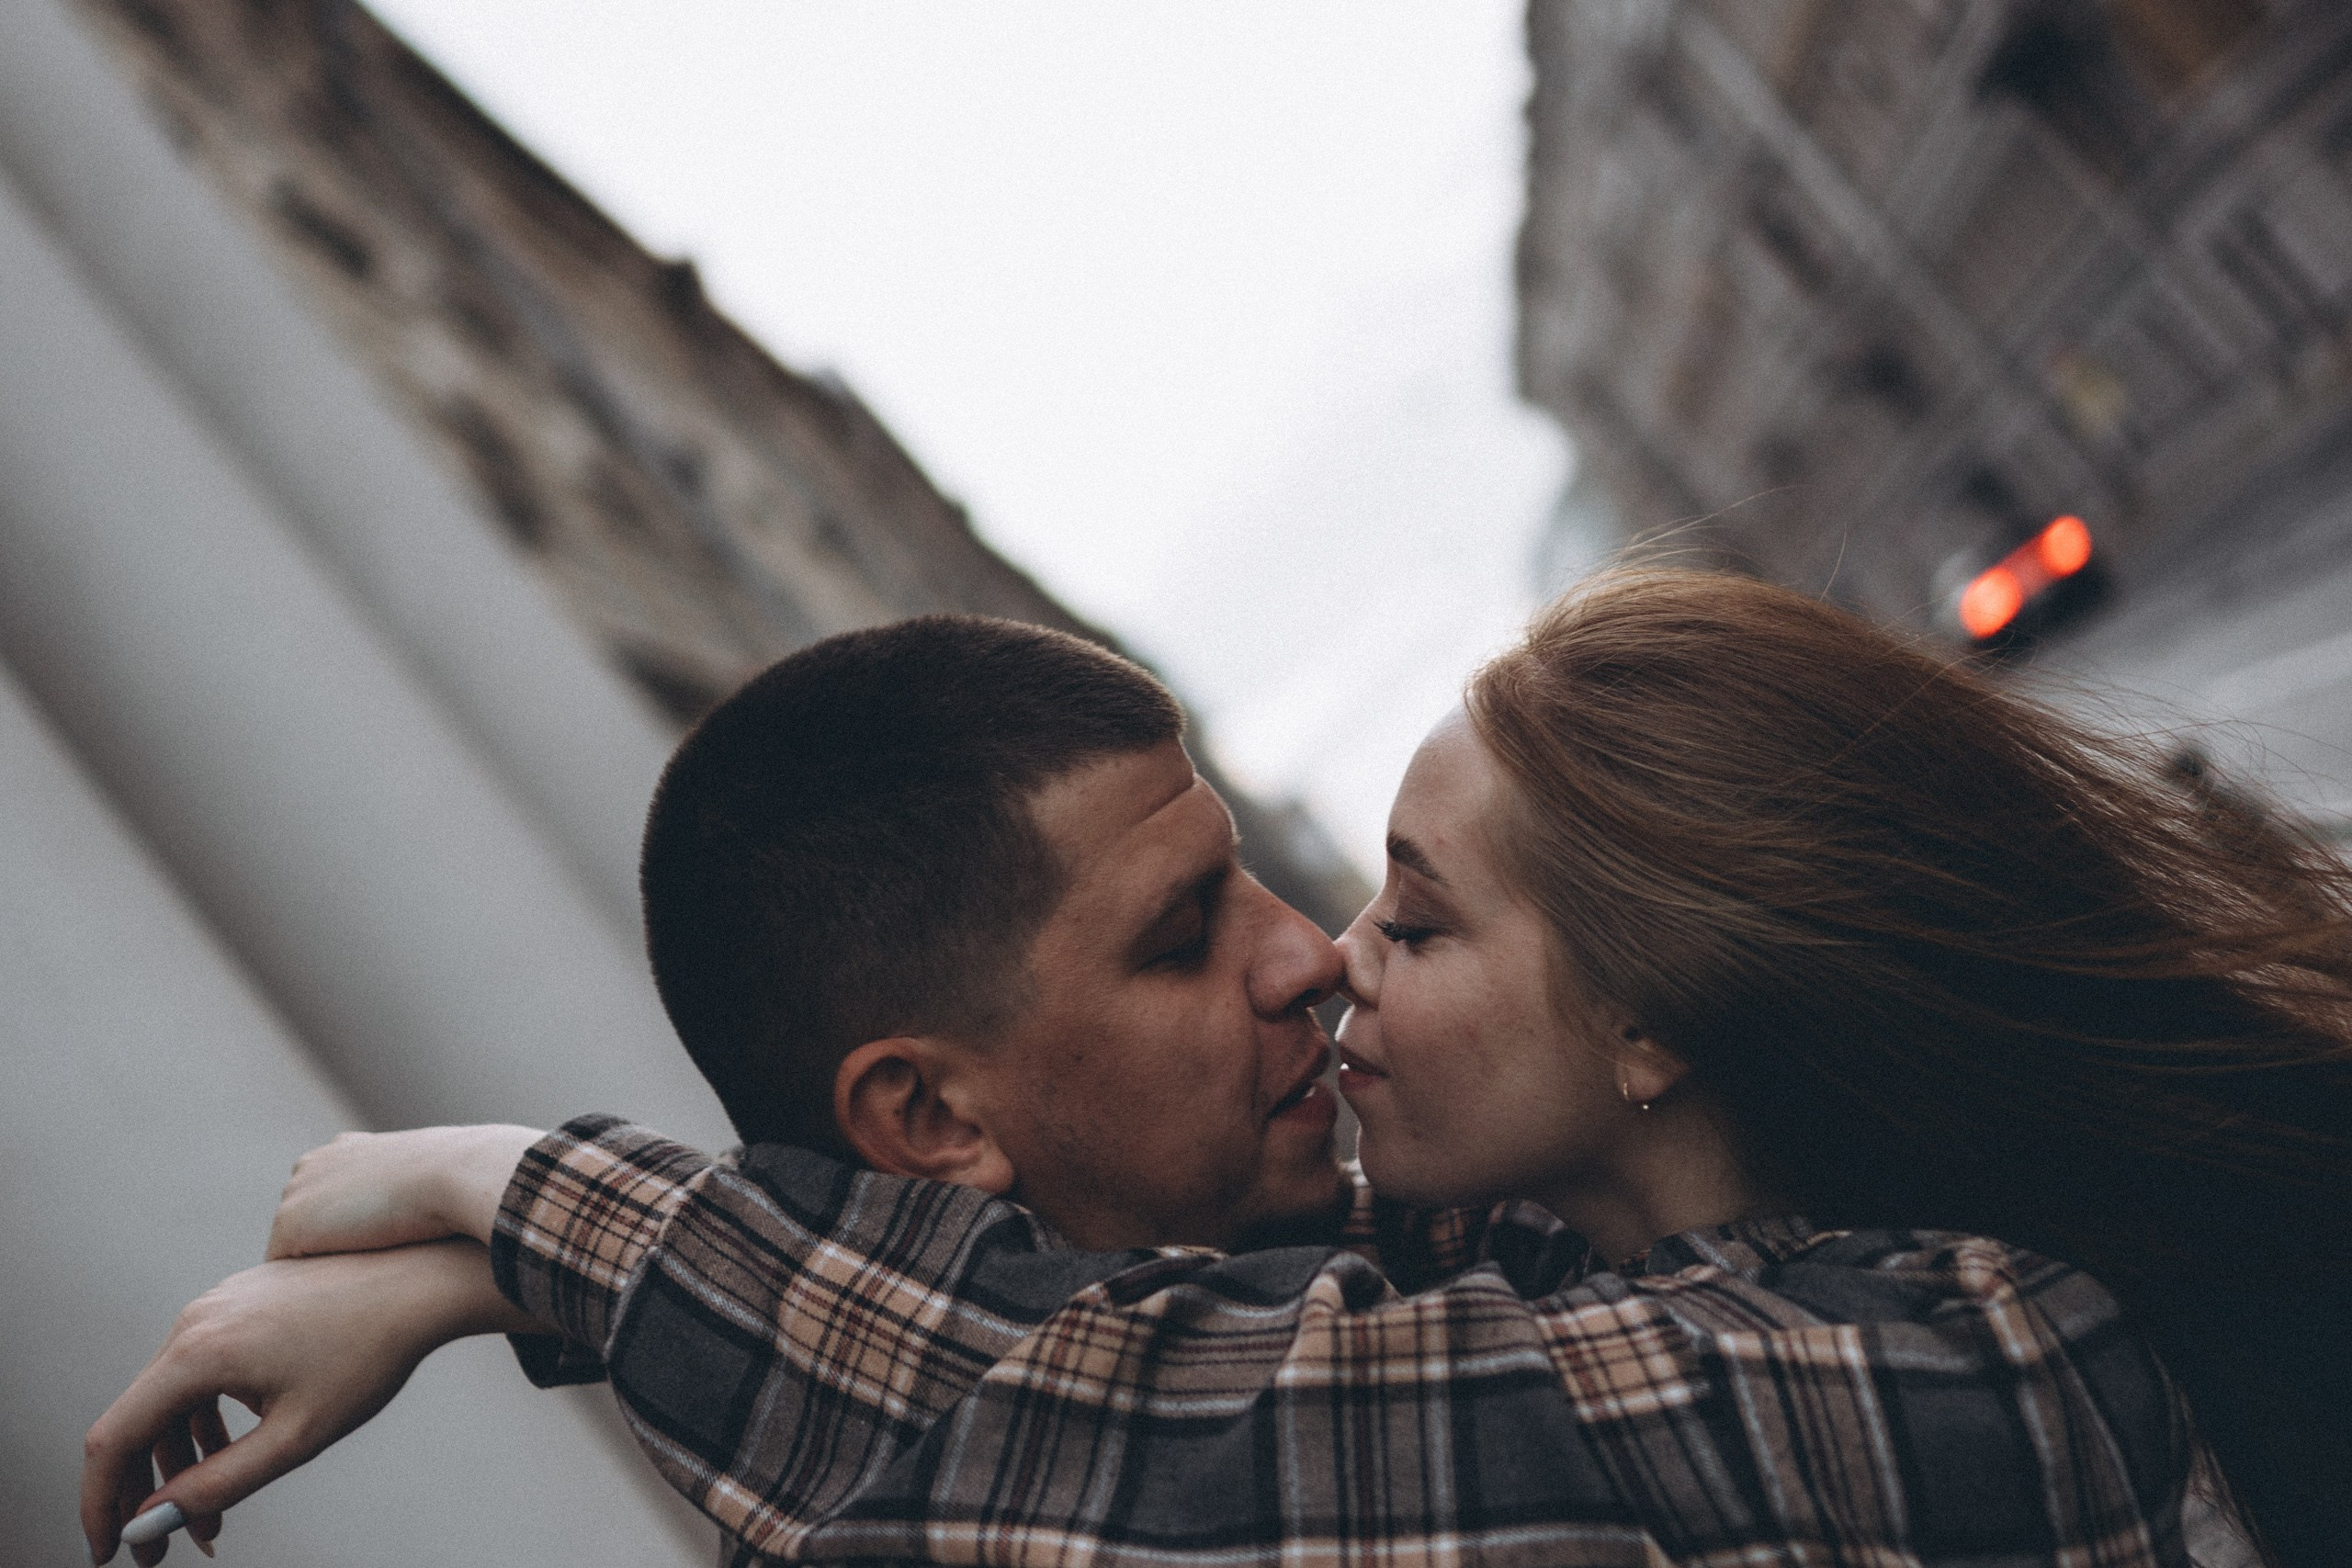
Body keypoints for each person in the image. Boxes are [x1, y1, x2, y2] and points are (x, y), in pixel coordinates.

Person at [89, 575, 2352, 1565]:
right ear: (929, 1119)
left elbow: (1161, 1423)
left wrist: (496, 1211)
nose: (1313, 966)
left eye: (1381, 903)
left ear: (1662, 1014)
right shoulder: (1500, 1278)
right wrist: (498, 1264)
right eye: (1192, 931)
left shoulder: (1976, 1345)